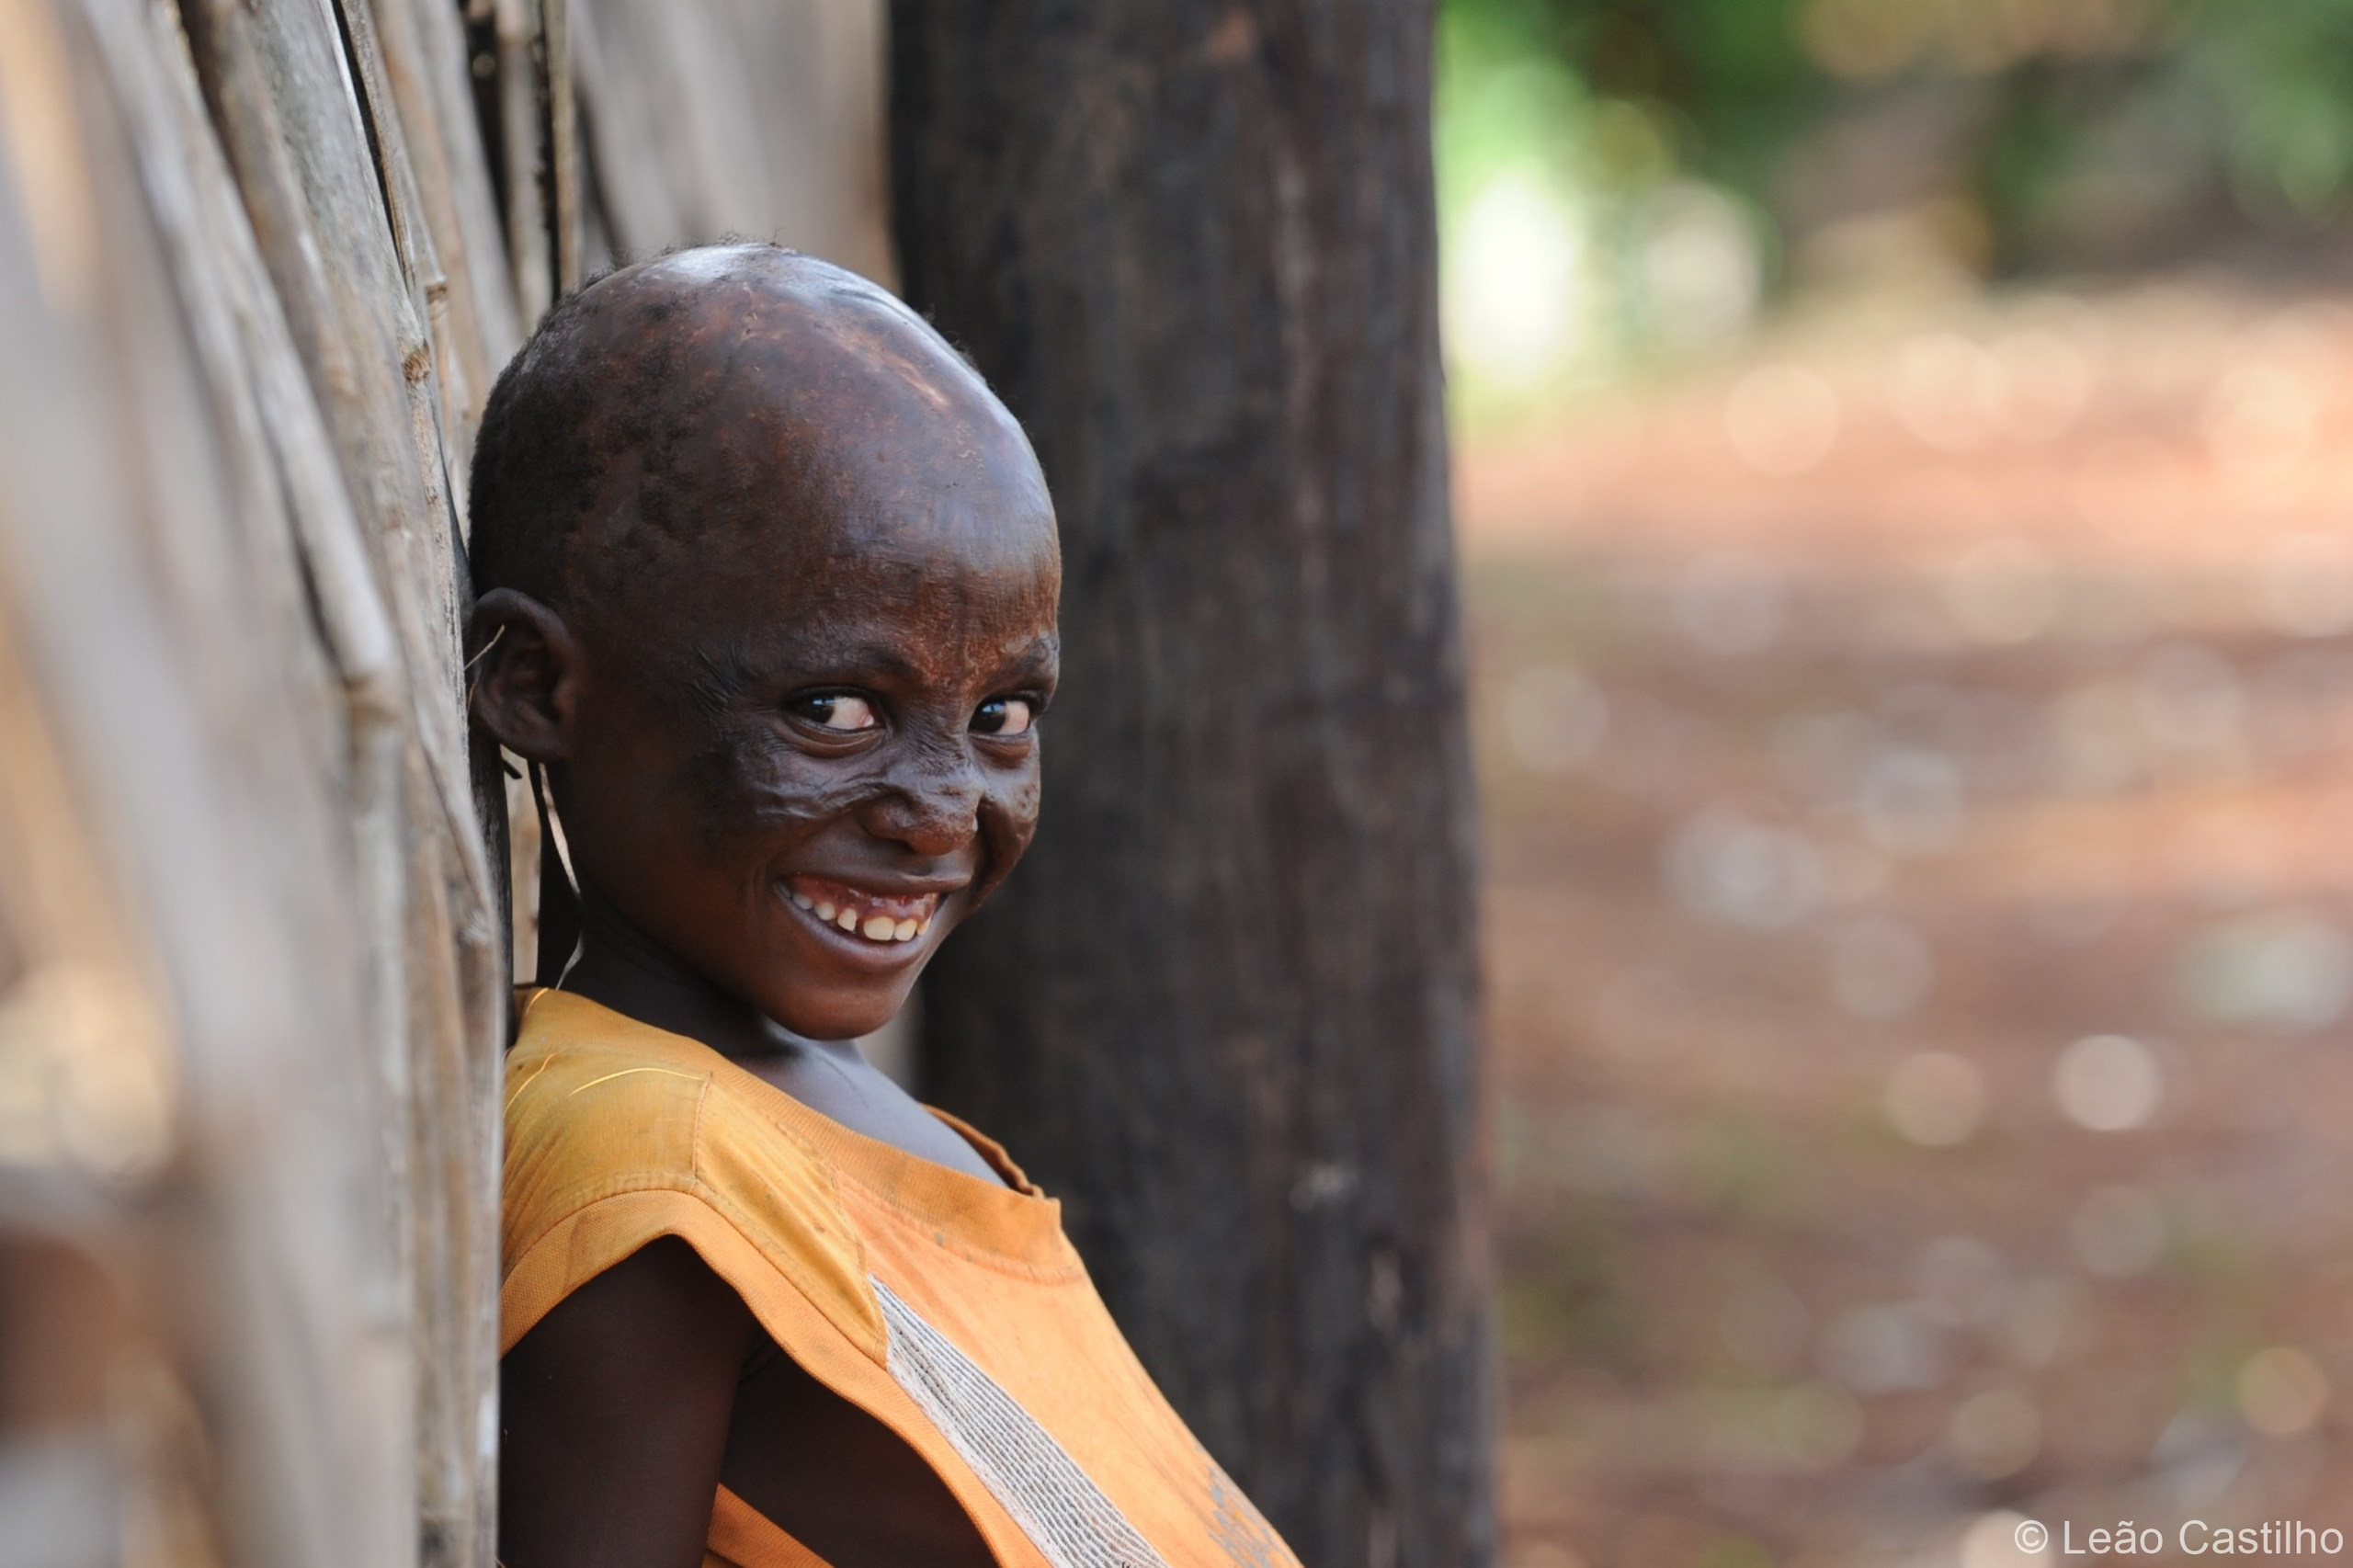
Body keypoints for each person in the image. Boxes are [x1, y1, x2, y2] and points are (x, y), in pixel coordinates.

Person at [469, 244, 1297, 1568]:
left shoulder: (813, 1115)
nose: (942, 807)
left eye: (1000, 715)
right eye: (833, 709)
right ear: (537, 688)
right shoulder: (654, 1161)